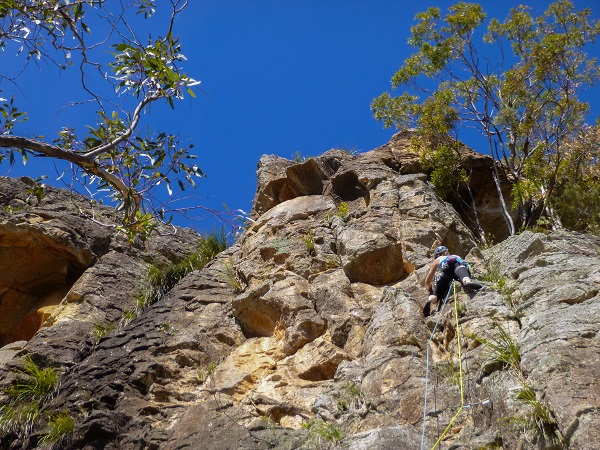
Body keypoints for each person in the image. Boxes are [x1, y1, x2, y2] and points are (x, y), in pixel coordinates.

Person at [423, 246, 481, 317]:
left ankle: (429, 300)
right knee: (463, 275)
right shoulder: (454, 256)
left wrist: (429, 287)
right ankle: (467, 282)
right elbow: (464, 265)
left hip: (444, 272)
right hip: (456, 265)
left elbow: (428, 279)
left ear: (437, 255)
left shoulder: (437, 260)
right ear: (445, 252)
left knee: (436, 295)